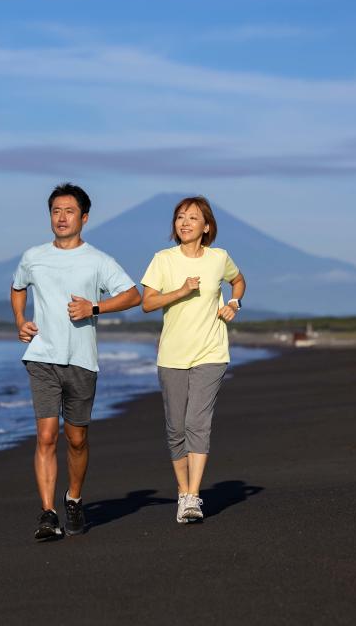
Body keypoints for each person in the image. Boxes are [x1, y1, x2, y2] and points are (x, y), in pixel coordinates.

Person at [11, 183, 142, 541]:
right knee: (47, 436)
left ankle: (73, 498)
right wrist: (21, 320)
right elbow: (18, 286)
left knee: (77, 439)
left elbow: (133, 295)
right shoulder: (33, 256)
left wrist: (94, 307)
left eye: (69, 211)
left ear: (83, 217)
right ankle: (48, 513)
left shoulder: (98, 260)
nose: (61, 217)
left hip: (82, 361)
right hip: (41, 357)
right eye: (56, 211)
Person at [140, 196, 246, 524]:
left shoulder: (219, 258)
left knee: (196, 424)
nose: (184, 223)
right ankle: (182, 489)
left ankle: (192, 497)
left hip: (211, 353)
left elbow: (238, 281)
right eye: (180, 217)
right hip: (172, 355)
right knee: (175, 428)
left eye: (192, 218)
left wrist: (234, 303)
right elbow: (147, 303)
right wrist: (181, 292)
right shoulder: (163, 260)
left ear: (207, 226)